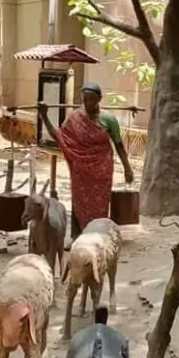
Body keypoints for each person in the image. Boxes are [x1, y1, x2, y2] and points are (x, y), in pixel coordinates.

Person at [38, 83, 135, 243]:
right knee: (79, 200)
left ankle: (98, 236)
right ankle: (76, 237)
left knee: (100, 203)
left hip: (102, 170)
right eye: (85, 100)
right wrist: (45, 116)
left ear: (99, 99)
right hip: (80, 169)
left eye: (92, 100)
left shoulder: (109, 119)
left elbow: (118, 144)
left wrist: (127, 168)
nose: (88, 103)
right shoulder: (75, 117)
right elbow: (58, 136)